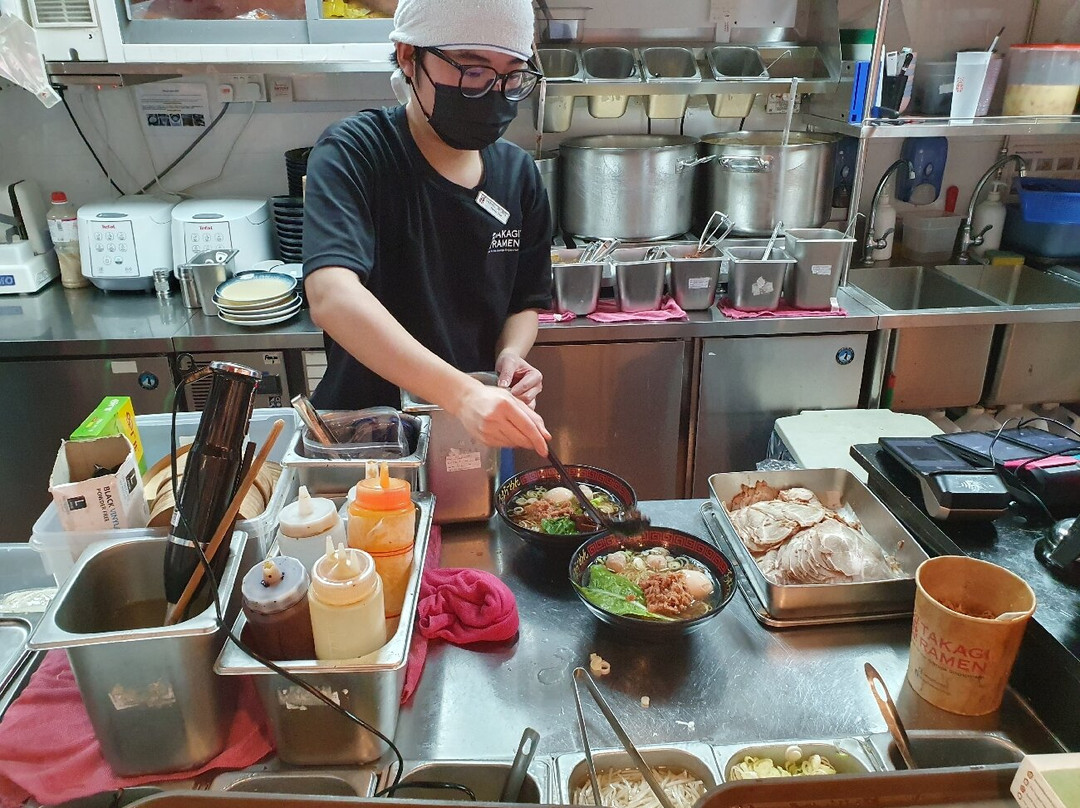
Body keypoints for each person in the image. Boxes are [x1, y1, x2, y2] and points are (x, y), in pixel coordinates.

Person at [302, 0, 552, 457]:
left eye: (512, 75)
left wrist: (511, 355)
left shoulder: (518, 175)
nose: (493, 91)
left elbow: (524, 302)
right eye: (473, 71)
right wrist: (462, 394)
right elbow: (331, 296)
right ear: (408, 56)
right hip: (367, 437)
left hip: (469, 437)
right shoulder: (355, 152)